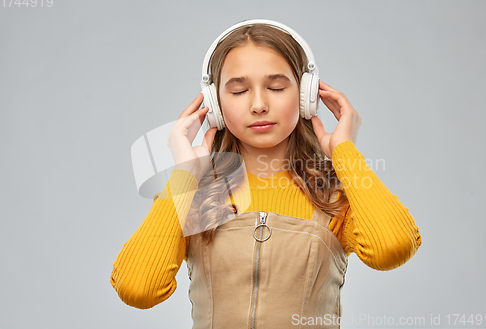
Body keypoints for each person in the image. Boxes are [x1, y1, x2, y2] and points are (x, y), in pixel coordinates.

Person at [110, 19, 422, 328]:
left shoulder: (333, 196)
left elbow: (391, 249)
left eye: (276, 87)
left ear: (305, 96)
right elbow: (138, 289)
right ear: (216, 104)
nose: (259, 105)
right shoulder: (192, 197)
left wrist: (345, 153)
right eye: (239, 91)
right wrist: (185, 175)